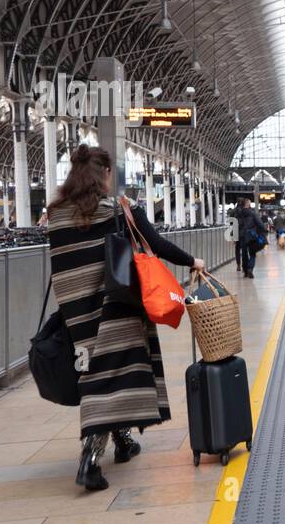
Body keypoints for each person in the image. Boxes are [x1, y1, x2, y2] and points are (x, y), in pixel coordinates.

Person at [46, 145, 204, 492]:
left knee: (96, 375)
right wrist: (193, 261)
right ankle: (89, 460)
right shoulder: (119, 210)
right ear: (103, 174)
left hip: (77, 316)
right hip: (115, 311)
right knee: (110, 380)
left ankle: (123, 442)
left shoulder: (54, 215)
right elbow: (157, 245)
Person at [236, 198, 264, 279]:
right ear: (248, 204)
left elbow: (235, 225)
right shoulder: (252, 213)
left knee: (244, 254)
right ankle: (250, 269)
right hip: (251, 235)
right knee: (252, 253)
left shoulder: (239, 214)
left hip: (242, 236)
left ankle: (245, 271)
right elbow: (260, 224)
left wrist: (233, 236)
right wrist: (264, 230)